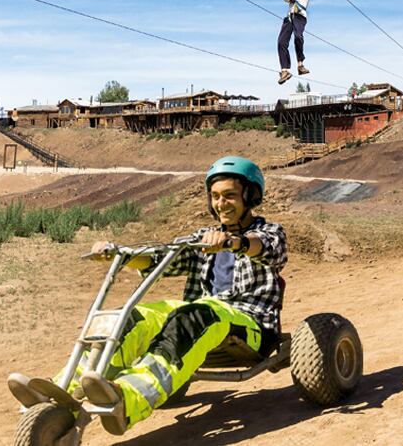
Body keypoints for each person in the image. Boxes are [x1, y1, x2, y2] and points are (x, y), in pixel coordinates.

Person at [75, 156, 287, 435]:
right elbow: (161, 259)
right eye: (215, 197)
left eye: (229, 196)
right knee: (134, 317)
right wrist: (120, 254)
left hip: (251, 326)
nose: (221, 204)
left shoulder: (270, 232)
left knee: (194, 314)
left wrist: (234, 242)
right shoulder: (203, 237)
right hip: (203, 315)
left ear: (250, 196)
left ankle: (128, 399)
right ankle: (70, 390)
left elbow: (269, 249)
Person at [277, 0, 310, 84]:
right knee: (281, 42)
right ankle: (285, 70)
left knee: (298, 37)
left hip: (299, 15)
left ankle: (300, 64)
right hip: (289, 17)